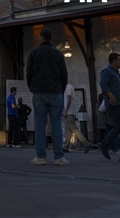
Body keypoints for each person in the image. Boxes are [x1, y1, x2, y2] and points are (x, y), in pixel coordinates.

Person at [25, 27, 69, 166]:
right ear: (50, 38)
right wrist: (60, 89)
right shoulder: (58, 54)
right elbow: (64, 75)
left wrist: (32, 88)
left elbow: (29, 73)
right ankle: (59, 157)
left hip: (39, 92)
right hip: (55, 92)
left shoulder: (34, 53)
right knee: (56, 125)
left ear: (40, 37)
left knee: (40, 125)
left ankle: (40, 157)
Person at [63, 82, 91, 152]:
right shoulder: (67, 88)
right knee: (69, 130)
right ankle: (66, 146)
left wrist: (66, 110)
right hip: (70, 111)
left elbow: (69, 100)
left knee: (74, 128)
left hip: (70, 112)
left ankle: (86, 143)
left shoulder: (69, 88)